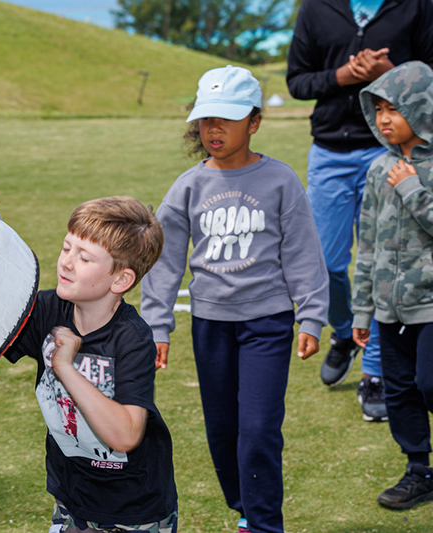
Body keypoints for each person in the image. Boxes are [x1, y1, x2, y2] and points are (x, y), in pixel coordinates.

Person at [141, 65, 329, 533]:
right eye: (206, 120)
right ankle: (245, 509)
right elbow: (164, 261)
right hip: (211, 325)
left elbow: (304, 252)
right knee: (223, 432)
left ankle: (265, 525)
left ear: (255, 121)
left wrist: (310, 317)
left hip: (267, 322)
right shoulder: (188, 186)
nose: (213, 130)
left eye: (225, 119)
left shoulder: (281, 181)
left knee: (259, 430)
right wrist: (157, 326)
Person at [287, 0, 433, 422]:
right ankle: (346, 331)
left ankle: (374, 373)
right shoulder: (315, 8)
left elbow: (429, 75)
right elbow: (297, 81)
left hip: (389, 153)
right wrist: (346, 76)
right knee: (327, 264)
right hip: (330, 151)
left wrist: (387, 78)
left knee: (388, 259)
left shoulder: (417, 5)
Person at [5, 197, 178, 533]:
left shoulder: (133, 339)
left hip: (135, 510)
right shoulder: (47, 309)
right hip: (72, 498)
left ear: (120, 280)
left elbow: (126, 435)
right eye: (67, 248)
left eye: (84, 257)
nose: (67, 263)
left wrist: (65, 366)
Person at [352, 61, 433, 510]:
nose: (384, 118)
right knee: (399, 391)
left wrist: (413, 190)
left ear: (421, 107)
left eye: (395, 108)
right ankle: (419, 470)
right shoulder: (378, 168)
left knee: (429, 383)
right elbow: (366, 244)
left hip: (431, 304)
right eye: (378, 108)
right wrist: (363, 309)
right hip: (389, 308)